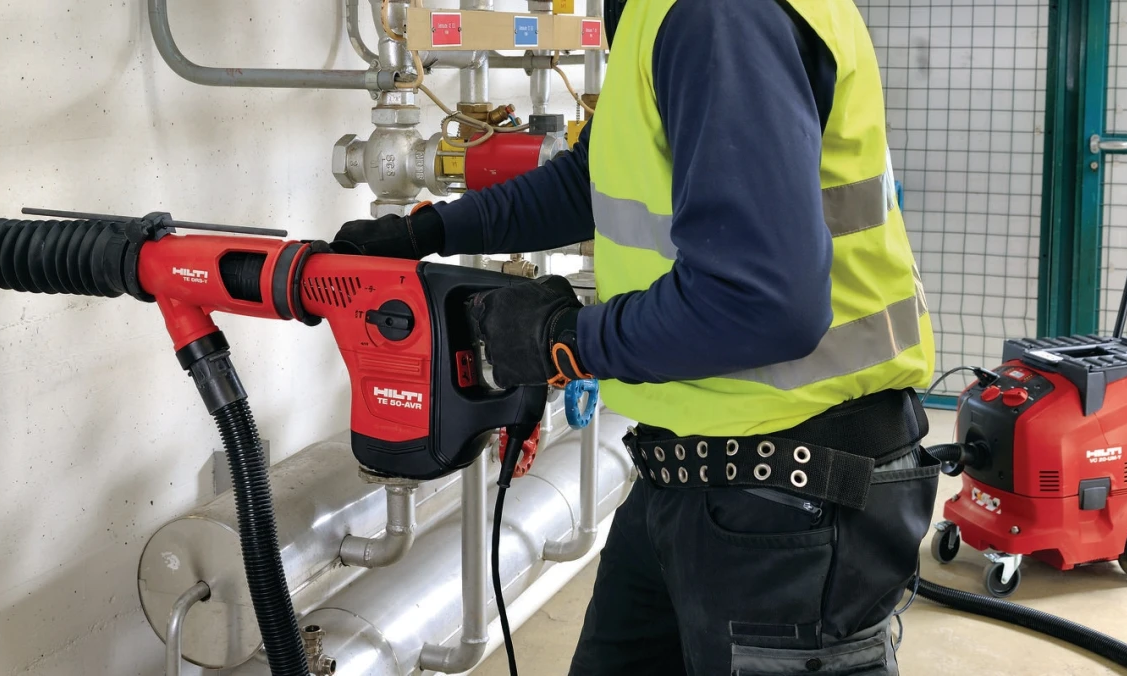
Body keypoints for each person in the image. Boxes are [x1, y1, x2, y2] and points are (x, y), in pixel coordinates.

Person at [331, 0, 939, 673]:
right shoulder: (657, 11)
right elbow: (590, 179)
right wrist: (430, 231)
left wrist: (563, 340)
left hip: (796, 494)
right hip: (689, 471)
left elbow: (766, 302)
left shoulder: (717, 16)